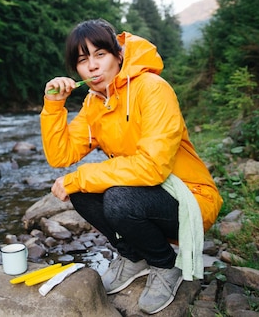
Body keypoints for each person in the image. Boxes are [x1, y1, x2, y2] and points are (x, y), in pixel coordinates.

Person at [40, 19, 223, 314]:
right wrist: (53, 106)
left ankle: (165, 265)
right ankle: (134, 256)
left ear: (118, 55)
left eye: (100, 55)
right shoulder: (94, 103)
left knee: (116, 197)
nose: (93, 67)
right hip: (145, 193)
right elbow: (61, 155)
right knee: (83, 194)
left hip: (191, 198)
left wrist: (81, 176)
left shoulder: (152, 88)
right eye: (83, 60)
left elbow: (152, 167)